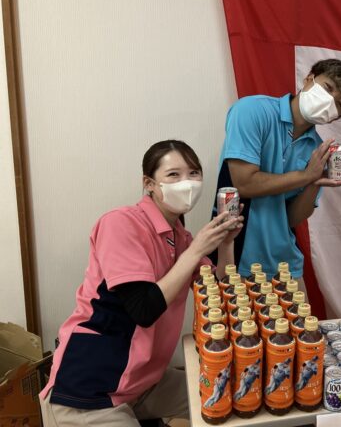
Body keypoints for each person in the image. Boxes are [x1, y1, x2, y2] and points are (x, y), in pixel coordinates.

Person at [39, 140, 244, 427]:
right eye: (173, 175)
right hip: (91, 387)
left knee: (232, 394)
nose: (186, 183)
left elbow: (219, 295)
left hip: (143, 380)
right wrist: (197, 249)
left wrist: (226, 244)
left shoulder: (181, 238)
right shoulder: (121, 224)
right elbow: (143, 309)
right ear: (149, 183)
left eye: (194, 173)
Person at [212, 58, 341, 285]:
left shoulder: (317, 150)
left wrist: (314, 183)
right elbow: (244, 184)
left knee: (301, 311)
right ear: (309, 79)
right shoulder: (252, 110)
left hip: (285, 264)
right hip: (235, 256)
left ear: (336, 117)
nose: (329, 101)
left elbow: (291, 218)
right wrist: (305, 176)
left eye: (339, 105)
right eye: (328, 87)